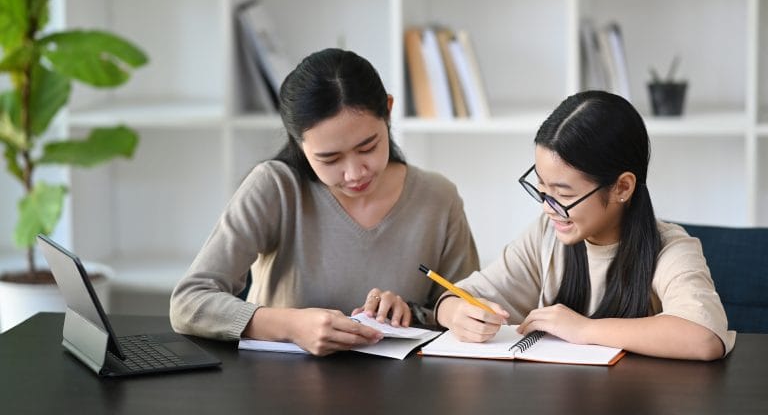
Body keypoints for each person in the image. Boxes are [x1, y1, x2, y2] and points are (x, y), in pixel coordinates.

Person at [170, 48, 479, 356]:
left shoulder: (438, 198)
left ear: (388, 110)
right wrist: (291, 325)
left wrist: (412, 314)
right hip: (280, 388)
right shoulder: (276, 187)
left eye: (368, 147)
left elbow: (464, 311)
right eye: (329, 158)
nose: (355, 173)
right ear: (298, 143)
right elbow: (189, 302)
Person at [434, 90, 735, 361]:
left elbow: (704, 337)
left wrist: (585, 329)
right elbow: (461, 295)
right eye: (541, 189)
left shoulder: (669, 248)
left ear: (622, 187)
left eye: (563, 194)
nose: (548, 208)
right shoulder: (545, 234)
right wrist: (454, 313)